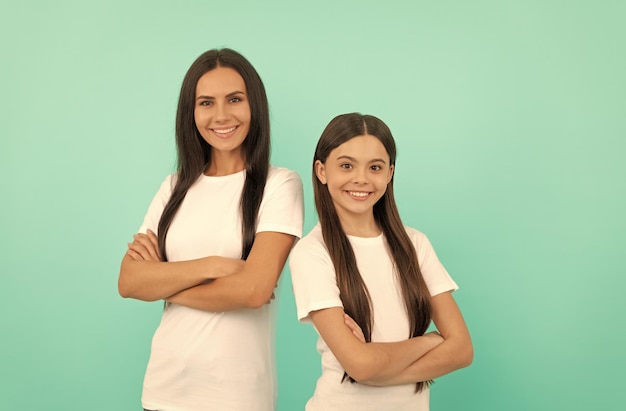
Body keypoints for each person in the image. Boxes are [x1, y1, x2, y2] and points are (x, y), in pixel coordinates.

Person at [118, 48, 303, 411]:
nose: (221, 115)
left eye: (234, 99)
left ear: (255, 106)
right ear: (191, 112)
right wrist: (215, 266)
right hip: (163, 390)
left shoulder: (279, 184)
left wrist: (164, 284)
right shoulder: (173, 188)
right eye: (206, 103)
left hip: (237, 396)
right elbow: (129, 282)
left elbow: (253, 290)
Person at [289, 113, 473, 410]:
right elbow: (360, 366)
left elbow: (462, 349)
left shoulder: (415, 244)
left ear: (389, 173)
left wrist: (378, 371)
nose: (361, 178)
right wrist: (431, 341)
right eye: (346, 165)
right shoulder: (312, 253)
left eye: (374, 167)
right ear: (322, 171)